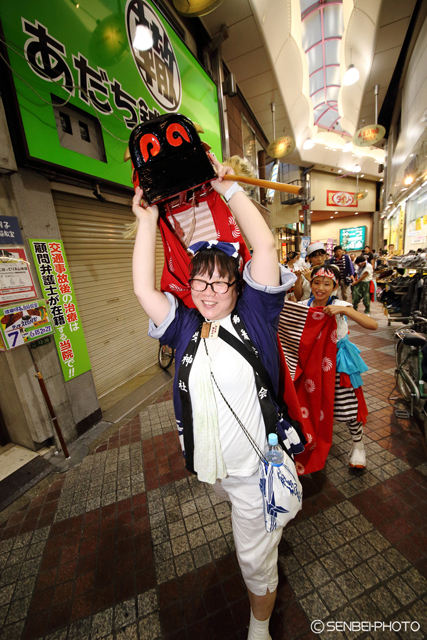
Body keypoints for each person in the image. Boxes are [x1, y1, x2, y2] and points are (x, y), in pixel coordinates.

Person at [131, 154, 304, 640]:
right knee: (242, 516)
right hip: (213, 468)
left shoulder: (255, 317)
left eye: (219, 280)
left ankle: (259, 624)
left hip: (253, 472)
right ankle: (269, 530)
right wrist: (147, 222)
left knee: (252, 559)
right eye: (199, 280)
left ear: (236, 282)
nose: (208, 290)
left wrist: (228, 188)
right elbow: (144, 288)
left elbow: (265, 244)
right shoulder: (187, 326)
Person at [298, 264, 378, 468]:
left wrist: (343, 309)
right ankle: (312, 442)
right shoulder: (304, 304)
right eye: (316, 282)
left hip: (339, 363)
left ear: (334, 287)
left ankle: (359, 446)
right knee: (310, 405)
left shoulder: (340, 304)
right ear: (311, 283)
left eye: (327, 284)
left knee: (348, 407)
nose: (321, 288)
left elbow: (372, 325)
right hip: (312, 365)